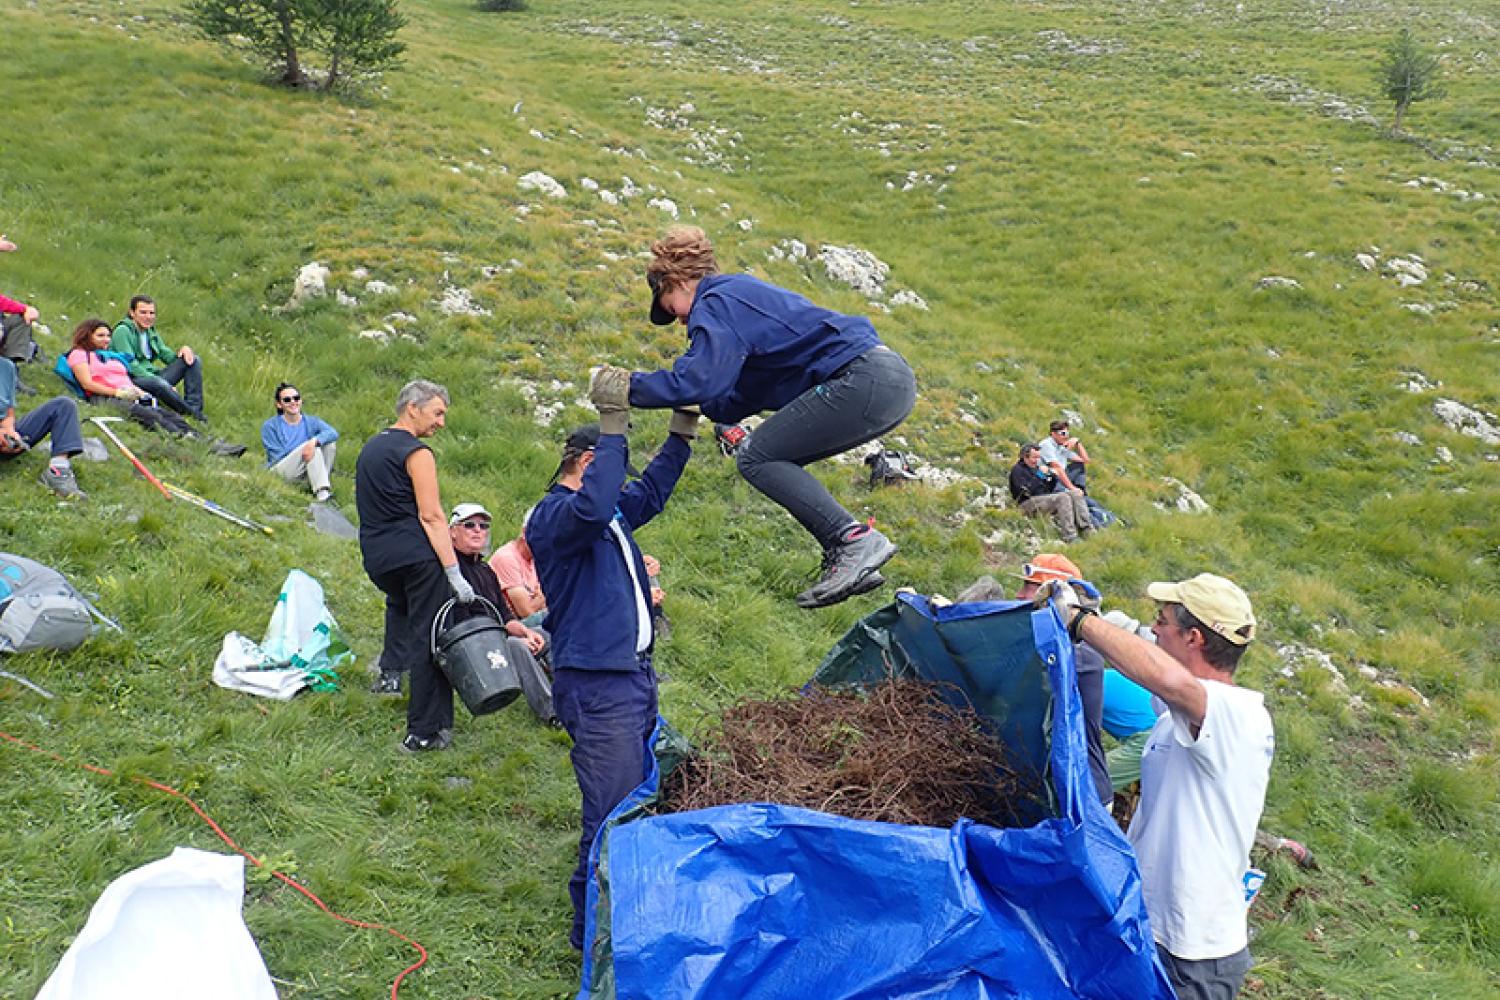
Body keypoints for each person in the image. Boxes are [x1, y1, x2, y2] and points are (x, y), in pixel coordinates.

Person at [592, 224, 918, 609]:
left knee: (757, 456)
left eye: (670, 308)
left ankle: (853, 541)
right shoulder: (738, 306)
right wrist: (702, 408)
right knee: (774, 457)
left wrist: (627, 387)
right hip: (885, 383)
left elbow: (698, 380)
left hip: (863, 377)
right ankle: (851, 550)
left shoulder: (717, 301)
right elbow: (737, 393)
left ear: (676, 281)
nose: (680, 322)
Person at [1046, 573, 1272, 999]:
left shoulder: (1239, 716)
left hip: (1193, 953)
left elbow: (1168, 679)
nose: (1152, 628)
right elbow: (1152, 674)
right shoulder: (1176, 718)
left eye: (1162, 620)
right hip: (1151, 927)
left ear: (1193, 638)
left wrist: (1080, 621)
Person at [526, 406, 695, 951]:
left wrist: (682, 430)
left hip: (632, 679)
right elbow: (598, 502)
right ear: (592, 462)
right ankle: (594, 938)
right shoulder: (554, 516)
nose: (622, 478)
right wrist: (614, 422)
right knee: (612, 812)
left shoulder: (609, 513)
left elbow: (653, 490)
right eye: (614, 462)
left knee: (635, 799)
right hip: (599, 688)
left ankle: (621, 920)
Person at [355, 379, 477, 751]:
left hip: (378, 557)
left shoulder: (371, 448)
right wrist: (454, 572)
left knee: (405, 614)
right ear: (413, 407)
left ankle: (394, 679)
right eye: (437, 412)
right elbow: (433, 516)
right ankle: (424, 731)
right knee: (432, 639)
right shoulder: (417, 452)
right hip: (417, 558)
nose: (441, 422)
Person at [1013, 554, 1111, 807]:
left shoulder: (1080, 650)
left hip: (1086, 796)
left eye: (1031, 588)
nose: (1019, 595)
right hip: (1055, 791)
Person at [64, 319, 245, 456]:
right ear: (87, 335)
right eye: (100, 335)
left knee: (170, 415)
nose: (106, 339)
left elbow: (124, 377)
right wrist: (117, 392)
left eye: (108, 335)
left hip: (130, 393)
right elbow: (87, 383)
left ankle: (205, 441)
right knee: (150, 415)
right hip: (104, 397)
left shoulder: (111, 356)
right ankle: (187, 441)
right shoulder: (79, 355)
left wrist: (138, 391)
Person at [446, 502, 557, 725]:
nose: (478, 530)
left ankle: (579, 694)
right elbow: (464, 622)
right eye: (469, 525)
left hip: (497, 635)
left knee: (550, 633)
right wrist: (513, 638)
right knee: (515, 647)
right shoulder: (448, 569)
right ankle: (553, 713)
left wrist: (524, 631)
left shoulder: (486, 570)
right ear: (453, 532)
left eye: (483, 526)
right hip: (470, 646)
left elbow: (504, 615)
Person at [109, 296, 207, 422]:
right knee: (159, 384)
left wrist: (184, 351)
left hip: (151, 376)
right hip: (132, 379)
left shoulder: (150, 331)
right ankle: (193, 415)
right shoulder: (123, 331)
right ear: (132, 313)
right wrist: (157, 379)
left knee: (193, 360)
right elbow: (131, 364)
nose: (148, 317)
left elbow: (165, 354)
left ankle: (194, 408)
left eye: (151, 313)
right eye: (143, 312)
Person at [1, 357, 86, 498]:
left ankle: (58, 471)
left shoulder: (6, 367)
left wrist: (9, 431)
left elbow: (8, 414)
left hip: (3, 437)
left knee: (64, 405)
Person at [261, 382, 340, 502]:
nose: (293, 402)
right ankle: (322, 494)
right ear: (279, 405)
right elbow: (277, 456)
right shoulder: (270, 426)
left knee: (329, 444)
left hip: (305, 464)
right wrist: (305, 448)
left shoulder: (312, 421)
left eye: (296, 398)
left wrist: (313, 441)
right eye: (287, 400)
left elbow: (333, 433)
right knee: (312, 448)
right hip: (281, 470)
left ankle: (319, 485)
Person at [1007, 442, 1092, 543]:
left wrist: (1052, 476)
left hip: (1042, 500)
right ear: (1025, 457)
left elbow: (1048, 487)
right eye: (1034, 457)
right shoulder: (1017, 470)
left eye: (1038, 457)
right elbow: (1025, 491)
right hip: (1026, 503)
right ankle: (1070, 536)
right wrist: (1039, 475)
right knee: (1063, 497)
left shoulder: (1036, 469)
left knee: (1075, 494)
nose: (1037, 460)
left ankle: (1086, 528)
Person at [489, 508, 546, 621]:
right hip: (510, 626)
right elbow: (526, 613)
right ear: (525, 532)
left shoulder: (538, 558)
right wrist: (543, 593)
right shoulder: (507, 558)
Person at [1039, 419, 1090, 493]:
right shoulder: (1047, 444)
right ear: (1053, 434)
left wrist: (1077, 443)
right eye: (1063, 433)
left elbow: (1085, 460)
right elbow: (1056, 467)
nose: (1066, 437)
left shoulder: (1062, 447)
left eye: (1067, 434)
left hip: (1062, 477)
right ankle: (1073, 492)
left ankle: (1081, 490)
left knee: (1079, 465)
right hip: (1049, 478)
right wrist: (1072, 488)